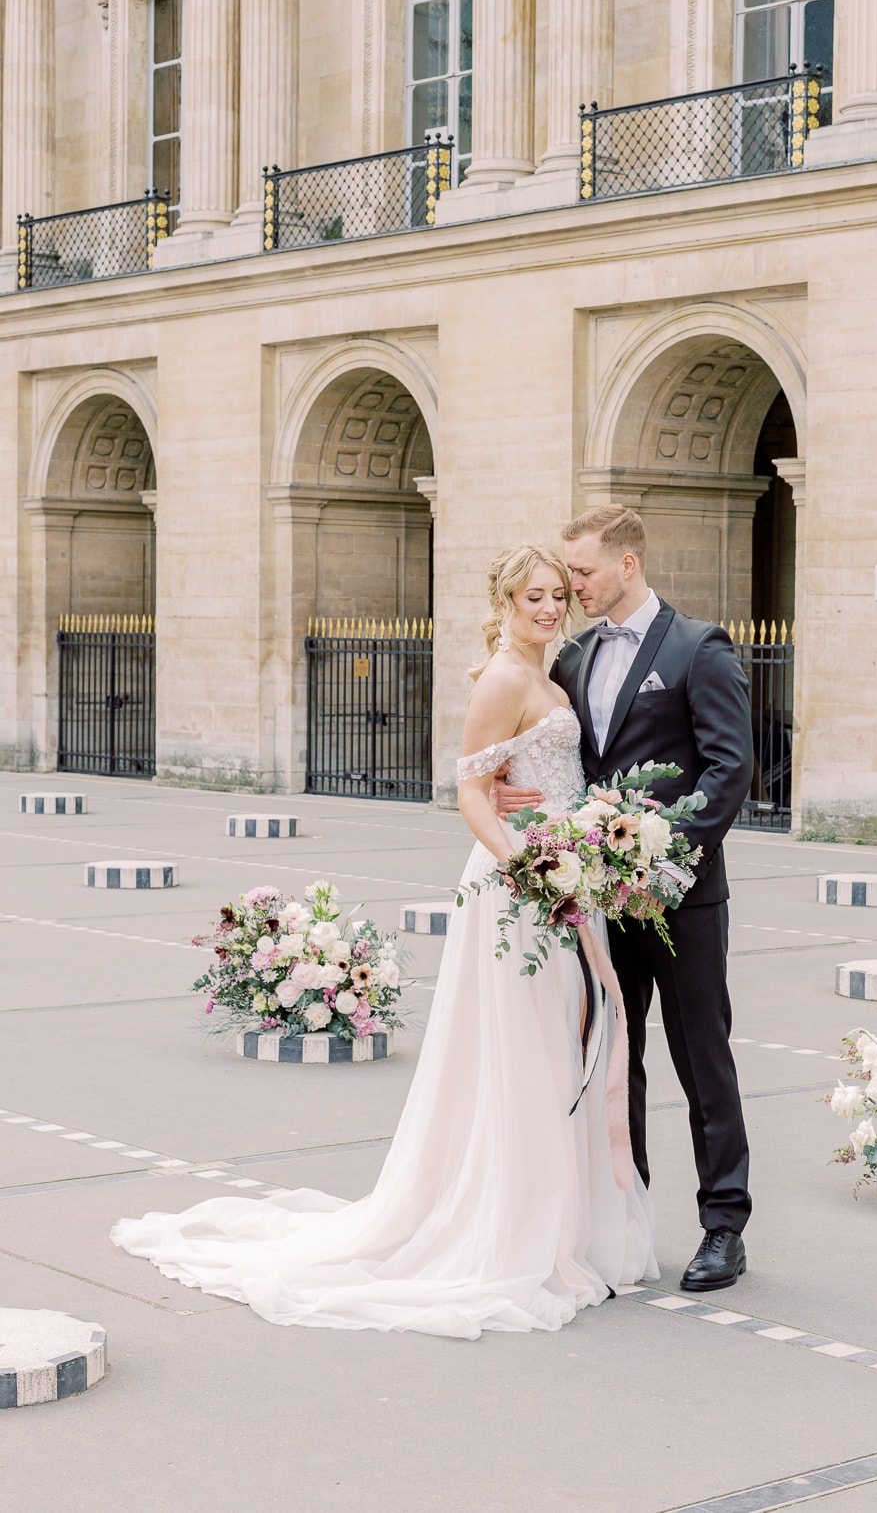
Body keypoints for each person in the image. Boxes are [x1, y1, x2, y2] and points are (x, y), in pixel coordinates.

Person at [111, 544, 656, 1339]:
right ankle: (510, 1228)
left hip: (565, 879)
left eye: (555, 596)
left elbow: (538, 772)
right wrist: (533, 868)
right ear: (503, 600)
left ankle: (562, 1223)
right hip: (522, 888)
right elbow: (469, 792)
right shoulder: (506, 677)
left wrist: (571, 857)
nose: (548, 608)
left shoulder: (552, 672)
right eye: (533, 596)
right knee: (518, 1055)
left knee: (553, 1048)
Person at [493, 507, 756, 1293]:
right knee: (614, 1056)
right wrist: (515, 799)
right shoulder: (569, 658)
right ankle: (624, 1215)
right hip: (598, 897)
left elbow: (728, 768)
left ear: (628, 564)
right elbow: (556, 757)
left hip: (679, 893)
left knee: (701, 1055)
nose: (571, 588)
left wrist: (667, 856)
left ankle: (724, 1225)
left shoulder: (697, 647)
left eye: (583, 573)